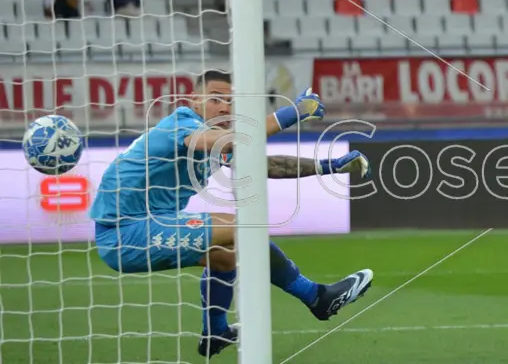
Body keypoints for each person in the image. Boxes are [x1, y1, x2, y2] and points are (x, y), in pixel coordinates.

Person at [90, 70, 376, 357]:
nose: (225, 107)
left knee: (226, 255)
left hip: (150, 226)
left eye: (230, 100)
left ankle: (215, 332)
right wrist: (295, 113)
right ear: (194, 101)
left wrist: (331, 166)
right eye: (216, 99)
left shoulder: (218, 139)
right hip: (124, 232)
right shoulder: (181, 124)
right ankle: (317, 297)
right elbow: (227, 142)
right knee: (242, 229)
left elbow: (269, 165)